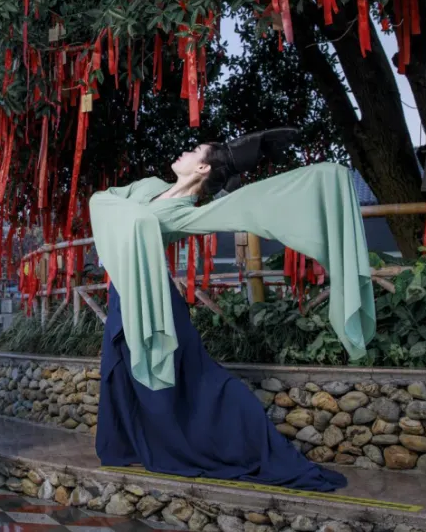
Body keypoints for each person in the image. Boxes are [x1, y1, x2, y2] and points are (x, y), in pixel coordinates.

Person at [90, 129, 375, 492]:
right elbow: (102, 200)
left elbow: (253, 204)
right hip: (125, 293)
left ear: (203, 167)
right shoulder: (147, 188)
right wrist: (136, 221)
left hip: (152, 299)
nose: (184, 151)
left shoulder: (186, 213)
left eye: (194, 150)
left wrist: (326, 177)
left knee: (197, 379)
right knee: (121, 369)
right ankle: (129, 443)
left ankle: (246, 441)